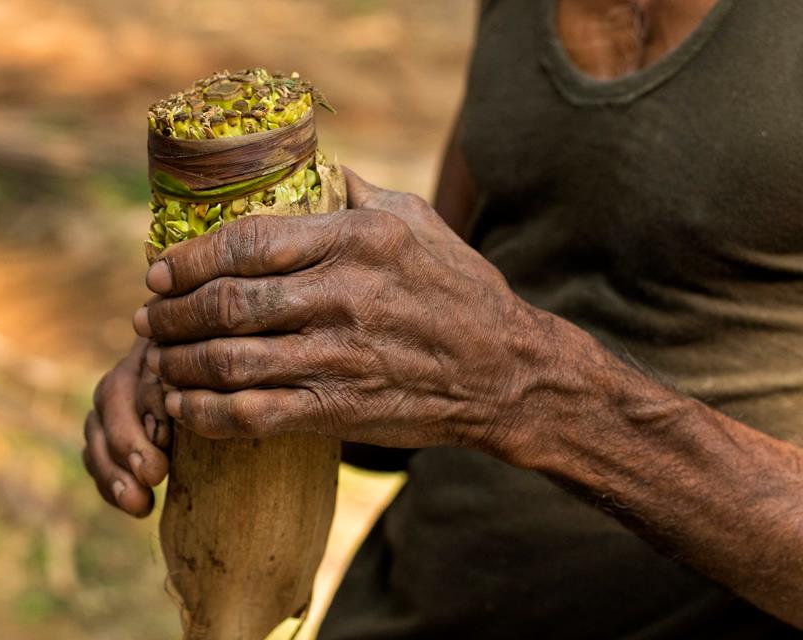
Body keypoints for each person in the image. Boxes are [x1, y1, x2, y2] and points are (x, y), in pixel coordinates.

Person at [81, 0, 803, 636]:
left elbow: (495, 375)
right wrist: (233, 360)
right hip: (401, 605)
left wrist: (535, 389)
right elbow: (430, 376)